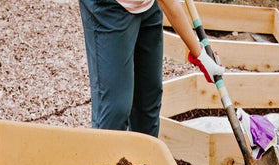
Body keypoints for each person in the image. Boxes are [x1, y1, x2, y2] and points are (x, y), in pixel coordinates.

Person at [79, 0, 225, 137]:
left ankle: (144, 161)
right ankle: (105, 162)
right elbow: (170, 5)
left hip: (148, 6)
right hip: (109, 8)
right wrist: (200, 56)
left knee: (148, 97)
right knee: (115, 108)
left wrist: (200, 55)